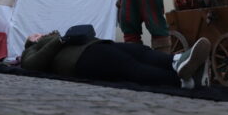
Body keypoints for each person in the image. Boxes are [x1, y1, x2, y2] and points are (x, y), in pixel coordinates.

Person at [21, 30, 210, 89]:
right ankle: (183, 81)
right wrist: (59, 40)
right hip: (81, 60)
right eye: (36, 34)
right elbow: (31, 65)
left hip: (95, 46)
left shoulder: (53, 40)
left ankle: (178, 61)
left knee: (140, 51)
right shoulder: (32, 49)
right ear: (31, 40)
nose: (41, 33)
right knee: (130, 67)